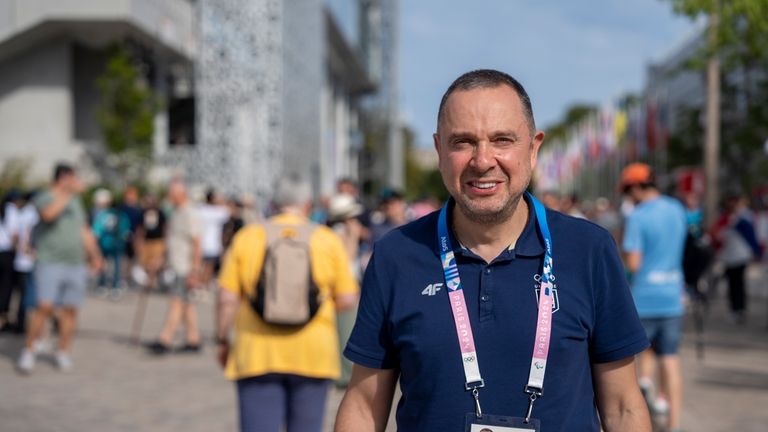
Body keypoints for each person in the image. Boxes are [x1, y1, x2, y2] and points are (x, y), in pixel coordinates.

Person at [336, 69, 651, 431]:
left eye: (502, 140)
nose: (483, 160)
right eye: (463, 142)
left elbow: (624, 407)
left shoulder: (589, 250)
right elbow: (362, 406)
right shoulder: (397, 255)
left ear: (533, 149)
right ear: (440, 151)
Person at [215, 176, 359, 432]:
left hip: (256, 350)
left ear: (274, 203)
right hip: (313, 353)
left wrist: (223, 339)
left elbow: (227, 298)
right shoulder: (326, 239)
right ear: (307, 204)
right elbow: (347, 299)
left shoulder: (249, 236)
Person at [619, 162, 687, 432]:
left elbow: (634, 264)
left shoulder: (638, 216)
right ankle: (674, 425)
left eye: (627, 190)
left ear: (636, 186)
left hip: (644, 297)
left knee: (633, 358)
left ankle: (643, 403)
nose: (627, 197)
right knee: (670, 358)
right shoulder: (677, 209)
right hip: (673, 295)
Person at [17, 163, 103, 373]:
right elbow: (49, 215)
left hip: (75, 263)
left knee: (71, 309)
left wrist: (95, 255)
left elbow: (83, 229)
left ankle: (63, 352)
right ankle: (29, 350)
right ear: (63, 177)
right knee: (45, 306)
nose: (77, 182)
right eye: (73, 178)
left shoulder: (76, 202)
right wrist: (68, 193)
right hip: (50, 261)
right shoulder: (44, 197)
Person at [146, 180, 203, 354]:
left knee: (176, 301)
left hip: (184, 267)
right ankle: (193, 339)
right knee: (186, 304)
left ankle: (165, 338)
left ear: (180, 194)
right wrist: (161, 259)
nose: (168, 197)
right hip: (177, 264)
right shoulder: (176, 212)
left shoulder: (190, 213)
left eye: (171, 193)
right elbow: (173, 240)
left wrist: (195, 270)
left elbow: (196, 243)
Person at [711, 194, 762, 323]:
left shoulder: (743, 218)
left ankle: (740, 309)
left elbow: (751, 236)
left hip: (740, 257)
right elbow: (716, 234)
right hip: (728, 257)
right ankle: (734, 309)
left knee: (739, 284)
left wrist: (756, 252)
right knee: (732, 285)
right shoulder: (724, 218)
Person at [91, 188, 131, 300]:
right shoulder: (121, 215)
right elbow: (126, 231)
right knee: (117, 267)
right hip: (117, 245)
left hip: (105, 244)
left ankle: (102, 285)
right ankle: (115, 286)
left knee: (104, 266)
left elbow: (96, 230)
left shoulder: (103, 215)